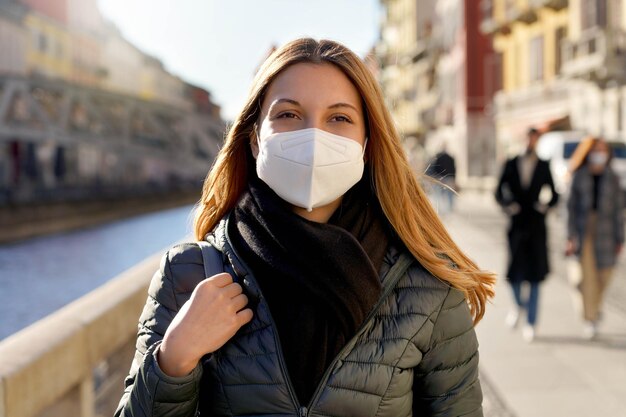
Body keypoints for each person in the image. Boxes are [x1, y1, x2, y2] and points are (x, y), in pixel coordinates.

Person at [115, 38, 495, 417]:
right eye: (289, 115)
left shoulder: (427, 285)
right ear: (253, 140)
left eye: (339, 118)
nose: (314, 137)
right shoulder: (188, 275)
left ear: (366, 143)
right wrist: (173, 360)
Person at [495, 127, 559, 342]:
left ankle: (531, 322)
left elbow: (555, 194)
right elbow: (498, 191)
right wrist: (508, 206)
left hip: (536, 227)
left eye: (534, 139)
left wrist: (544, 207)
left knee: (534, 277)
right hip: (516, 226)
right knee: (513, 274)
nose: (530, 142)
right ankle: (518, 306)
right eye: (527, 138)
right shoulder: (511, 163)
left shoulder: (543, 164)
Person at [566, 137, 624, 339]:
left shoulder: (613, 178)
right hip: (584, 232)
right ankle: (589, 318)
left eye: (603, 150)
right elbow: (570, 208)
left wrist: (620, 239)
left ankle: (595, 309)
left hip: (607, 232)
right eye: (596, 150)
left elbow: (619, 211)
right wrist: (570, 236)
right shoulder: (579, 175)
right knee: (584, 276)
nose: (599, 154)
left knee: (604, 276)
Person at [426, 145, 457, 214]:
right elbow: (454, 169)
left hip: (439, 178)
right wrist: (453, 179)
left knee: (438, 194)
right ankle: (450, 209)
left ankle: (439, 209)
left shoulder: (437, 157)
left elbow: (434, 168)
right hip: (449, 178)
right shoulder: (450, 157)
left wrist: (434, 177)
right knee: (449, 194)